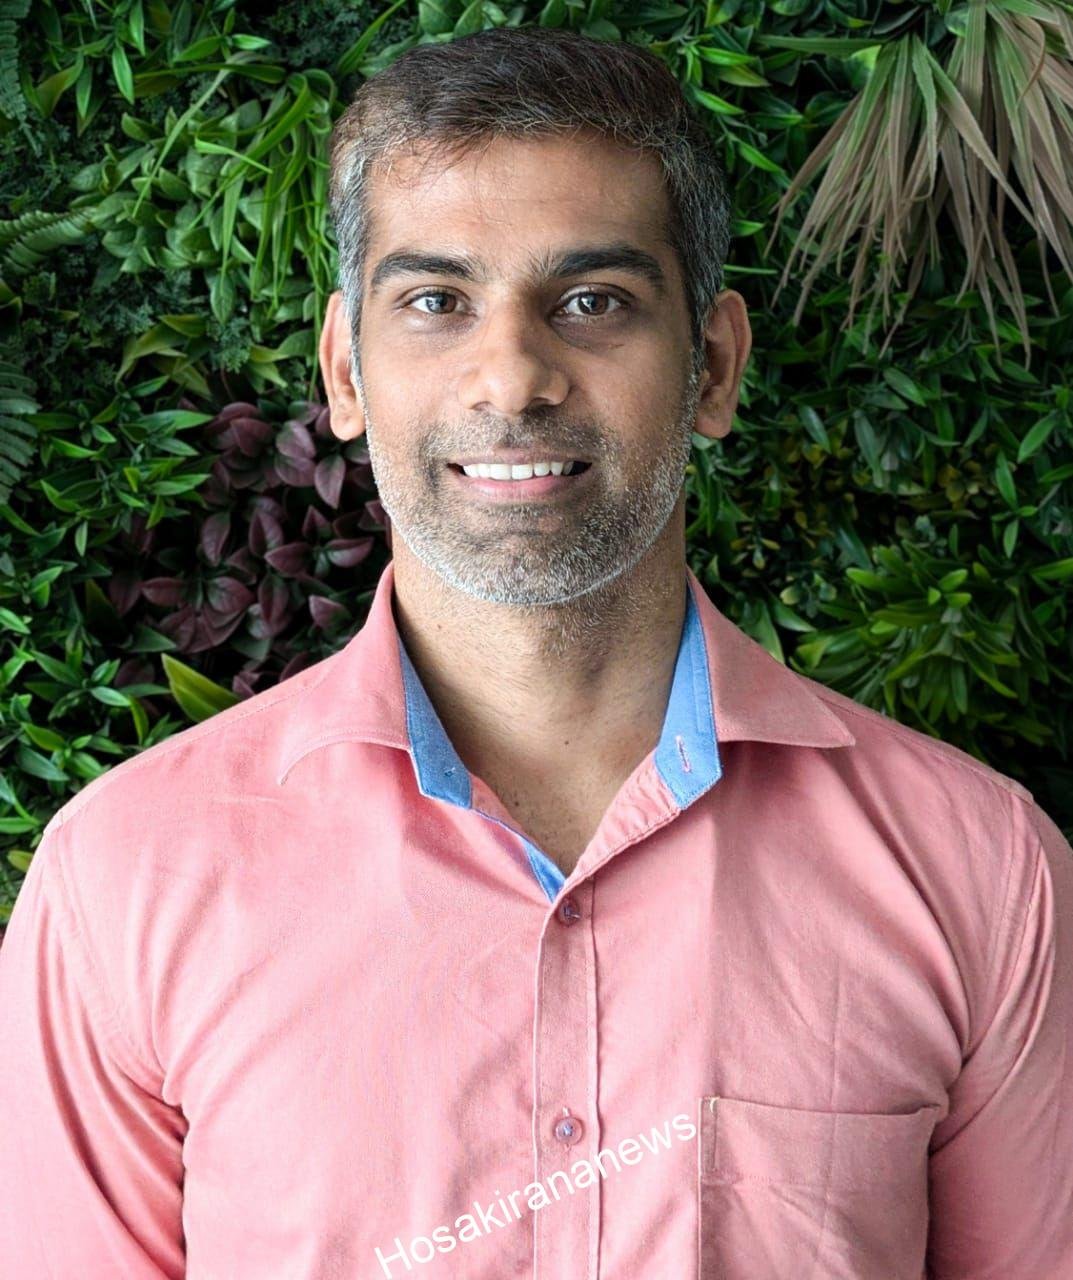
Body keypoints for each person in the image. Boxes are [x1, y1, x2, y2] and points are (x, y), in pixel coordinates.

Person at [1, 24, 1071, 1280]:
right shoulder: (126, 877)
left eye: (591, 302)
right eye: (435, 302)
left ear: (712, 366)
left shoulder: (978, 870)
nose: (511, 379)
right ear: (346, 370)